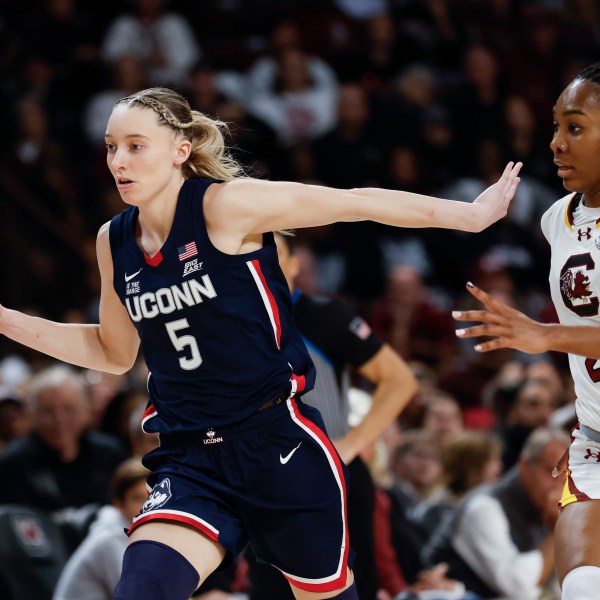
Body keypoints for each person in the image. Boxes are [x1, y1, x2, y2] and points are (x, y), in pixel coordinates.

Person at [0, 86, 521, 600]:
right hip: (191, 458)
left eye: (136, 145)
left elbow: (349, 203)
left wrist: (467, 215)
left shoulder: (226, 206)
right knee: (141, 589)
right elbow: (112, 353)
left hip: (277, 442)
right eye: (112, 147)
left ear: (180, 151)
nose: (119, 160)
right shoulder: (112, 241)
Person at [453, 61, 600, 600]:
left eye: (576, 127)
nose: (557, 143)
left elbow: (562, 336)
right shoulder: (556, 218)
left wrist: (543, 336)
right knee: (581, 588)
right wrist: (583, 419)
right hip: (594, 445)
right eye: (557, 127)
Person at [245, 231, 417, 600]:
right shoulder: (225, 328)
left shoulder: (323, 316)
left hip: (334, 477)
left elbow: (400, 379)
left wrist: (355, 442)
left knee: (354, 589)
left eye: (271, 256)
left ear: (293, 267)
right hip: (263, 482)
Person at [422, 427, 568, 600]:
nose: (559, 485)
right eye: (551, 471)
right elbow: (517, 587)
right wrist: (557, 532)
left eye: (566, 476)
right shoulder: (482, 508)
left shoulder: (544, 507)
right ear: (525, 465)